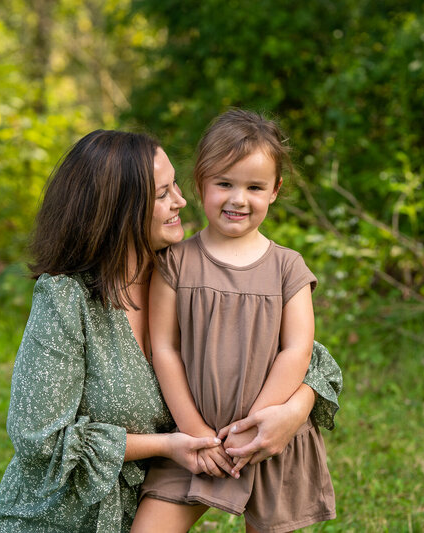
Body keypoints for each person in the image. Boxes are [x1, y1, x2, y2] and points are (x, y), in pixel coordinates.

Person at [0, 129, 341, 532]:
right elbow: (39, 439)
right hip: (66, 520)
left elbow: (304, 354)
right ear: (120, 208)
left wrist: (292, 413)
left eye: (175, 184)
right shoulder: (67, 299)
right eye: (162, 193)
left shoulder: (184, 274)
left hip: (150, 507)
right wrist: (168, 446)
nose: (181, 200)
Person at [134, 110, 339, 533]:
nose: (238, 199)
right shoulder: (175, 263)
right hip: (195, 440)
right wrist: (196, 433)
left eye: (254, 187)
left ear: (276, 190)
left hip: (270, 442)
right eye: (224, 183)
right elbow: (164, 348)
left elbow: (297, 349)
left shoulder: (288, 268)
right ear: (201, 183)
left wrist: (257, 424)